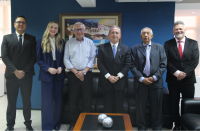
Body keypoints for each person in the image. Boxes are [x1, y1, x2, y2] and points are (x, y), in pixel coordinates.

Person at [1, 15, 36, 131]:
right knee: (11, 102)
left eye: (23, 22)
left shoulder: (31, 39)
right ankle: (10, 126)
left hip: (26, 76)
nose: (21, 24)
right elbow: (5, 57)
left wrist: (24, 71)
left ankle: (28, 125)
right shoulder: (6, 38)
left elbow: (33, 57)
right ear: (14, 24)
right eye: (19, 22)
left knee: (26, 101)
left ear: (26, 25)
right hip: (12, 76)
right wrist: (15, 71)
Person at [164, 21, 199, 131]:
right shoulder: (168, 44)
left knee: (187, 103)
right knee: (173, 103)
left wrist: (184, 74)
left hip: (188, 79)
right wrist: (177, 73)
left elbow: (195, 61)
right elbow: (166, 60)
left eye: (181, 29)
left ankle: (186, 125)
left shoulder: (193, 43)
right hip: (173, 80)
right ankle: (177, 124)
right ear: (173, 31)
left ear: (185, 30)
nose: (179, 31)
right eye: (176, 29)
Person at [130, 27, 167, 131]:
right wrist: (142, 78)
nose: (146, 35)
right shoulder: (134, 48)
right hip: (140, 83)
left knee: (157, 107)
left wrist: (154, 77)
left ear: (152, 36)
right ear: (141, 36)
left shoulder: (160, 48)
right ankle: (141, 127)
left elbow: (163, 65)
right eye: (143, 33)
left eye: (148, 33)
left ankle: (157, 128)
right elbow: (132, 65)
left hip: (156, 83)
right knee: (140, 108)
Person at [63, 22, 96, 131]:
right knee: (73, 100)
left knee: (87, 100)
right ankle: (73, 124)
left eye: (81, 29)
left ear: (84, 30)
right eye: (77, 30)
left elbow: (92, 59)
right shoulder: (69, 43)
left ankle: (86, 124)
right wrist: (76, 72)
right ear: (73, 31)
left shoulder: (90, 42)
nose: (79, 31)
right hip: (73, 75)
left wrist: (84, 72)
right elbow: (66, 59)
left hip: (87, 75)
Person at [36, 21, 65, 131]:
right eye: (51, 27)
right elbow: (38, 59)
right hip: (46, 74)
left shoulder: (62, 42)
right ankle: (47, 126)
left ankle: (56, 124)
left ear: (58, 30)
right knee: (47, 102)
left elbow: (64, 59)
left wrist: (61, 67)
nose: (53, 29)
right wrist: (48, 68)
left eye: (56, 28)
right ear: (48, 28)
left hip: (59, 74)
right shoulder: (40, 42)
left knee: (58, 101)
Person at [97, 25, 131, 113]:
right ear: (108, 34)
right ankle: (107, 125)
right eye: (112, 33)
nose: (114, 34)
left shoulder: (125, 48)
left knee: (119, 107)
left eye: (117, 33)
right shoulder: (102, 48)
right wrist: (109, 76)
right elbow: (100, 64)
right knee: (107, 107)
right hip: (106, 82)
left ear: (120, 35)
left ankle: (119, 126)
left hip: (120, 82)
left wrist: (118, 76)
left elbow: (127, 65)